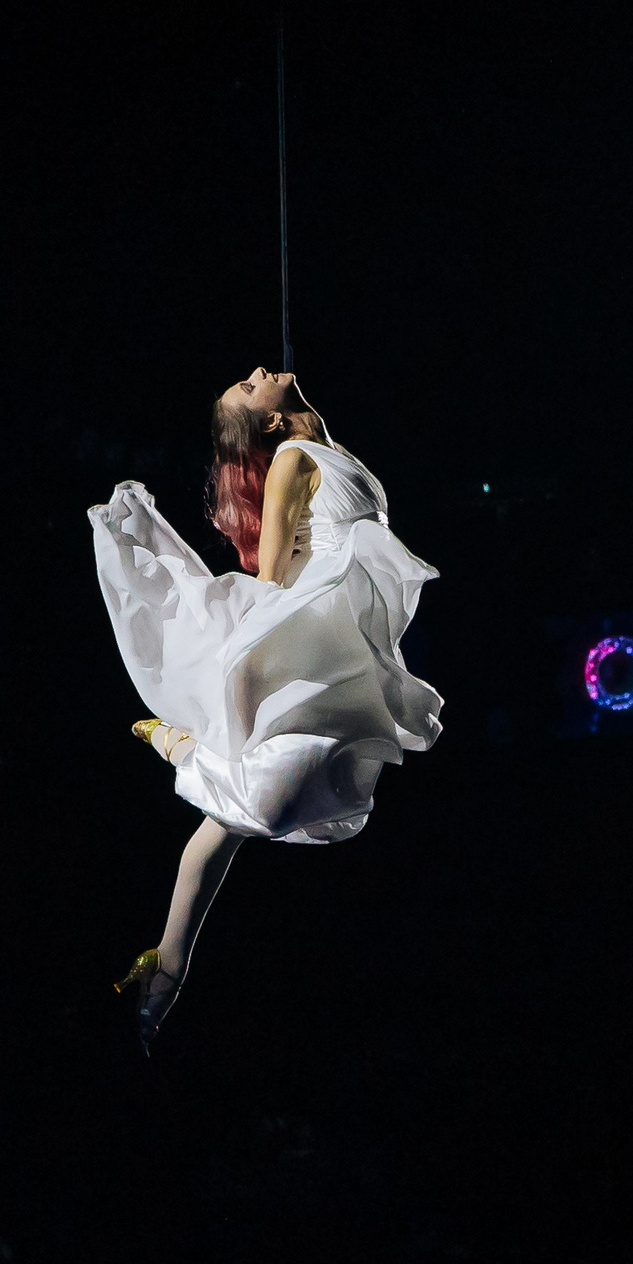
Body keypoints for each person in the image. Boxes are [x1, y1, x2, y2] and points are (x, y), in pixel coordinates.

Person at [87, 366, 444, 1054]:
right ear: (271, 422)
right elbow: (273, 575)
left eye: (248, 380)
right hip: (311, 639)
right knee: (273, 803)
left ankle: (166, 969)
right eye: (249, 389)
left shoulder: (323, 448)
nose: (257, 373)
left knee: (236, 823)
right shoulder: (288, 456)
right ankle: (180, 746)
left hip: (340, 639)